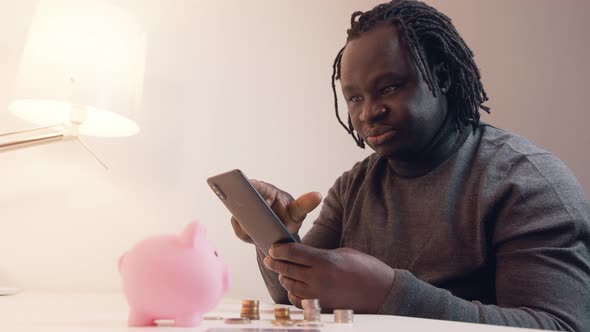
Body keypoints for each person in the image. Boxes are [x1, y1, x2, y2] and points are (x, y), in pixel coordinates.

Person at [229, 0, 590, 330]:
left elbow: (559, 325)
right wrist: (278, 240)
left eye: (388, 88)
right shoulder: (354, 186)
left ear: (443, 78)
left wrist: (388, 293)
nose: (369, 112)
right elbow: (299, 295)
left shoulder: (524, 182)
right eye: (354, 97)